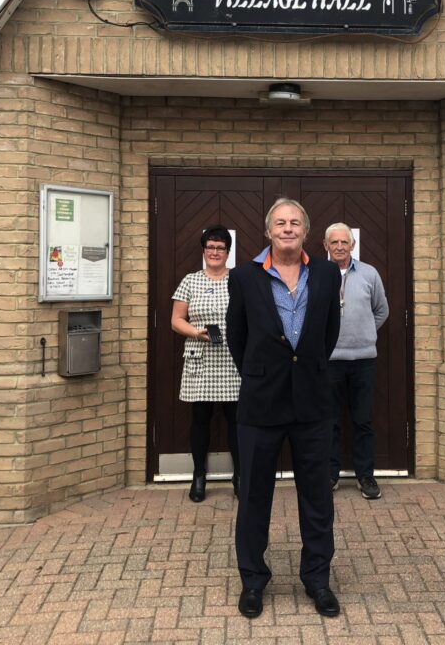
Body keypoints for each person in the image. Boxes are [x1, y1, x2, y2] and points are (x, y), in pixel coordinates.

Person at [226, 198, 342, 620]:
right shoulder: (243, 276)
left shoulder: (327, 273)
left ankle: (317, 580)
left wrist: (304, 368)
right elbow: (238, 337)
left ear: (306, 231)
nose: (288, 228)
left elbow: (329, 333)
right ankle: (253, 581)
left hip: (312, 402)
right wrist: (262, 374)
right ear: (268, 231)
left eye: (295, 222)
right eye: (280, 222)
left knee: (317, 498)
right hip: (261, 402)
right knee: (255, 496)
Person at [170, 225, 240, 503]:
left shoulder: (238, 280)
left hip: (231, 359)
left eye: (220, 248)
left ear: (227, 252)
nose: (215, 252)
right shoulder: (190, 281)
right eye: (210, 247)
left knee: (236, 421)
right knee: (200, 421)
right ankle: (199, 475)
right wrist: (196, 333)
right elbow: (176, 320)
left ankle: (240, 475)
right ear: (203, 250)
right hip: (200, 357)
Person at [323, 223, 389, 499]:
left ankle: (365, 476)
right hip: (330, 361)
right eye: (334, 242)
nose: (339, 247)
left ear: (352, 245)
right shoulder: (317, 273)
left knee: (363, 421)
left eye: (344, 242)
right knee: (330, 421)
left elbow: (381, 310)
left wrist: (364, 333)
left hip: (363, 361)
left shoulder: (369, 273)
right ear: (326, 246)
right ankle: (330, 474)